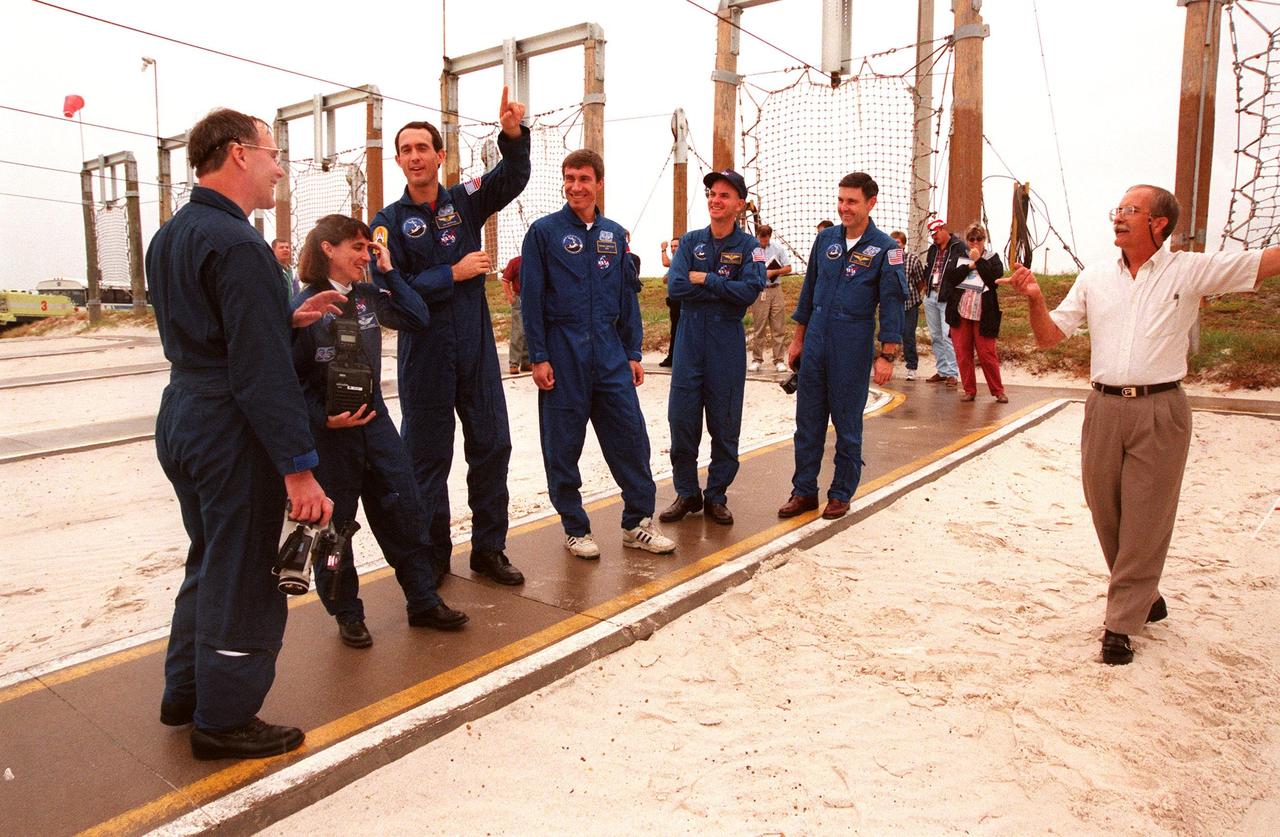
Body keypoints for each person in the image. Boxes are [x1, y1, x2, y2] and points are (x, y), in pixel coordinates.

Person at [1003, 184, 1279, 665]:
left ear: (1159, 224)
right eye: (1118, 209)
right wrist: (1033, 298)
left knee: (1146, 520)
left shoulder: (1189, 270)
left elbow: (1262, 263)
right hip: (1102, 409)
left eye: (1131, 210)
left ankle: (1119, 624)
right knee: (1106, 512)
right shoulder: (1094, 277)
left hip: (1161, 409)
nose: (1119, 217)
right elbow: (1049, 338)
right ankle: (1144, 596)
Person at [145, 107, 345, 760]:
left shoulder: (171, 235)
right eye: (271, 152)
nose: (279, 167)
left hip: (183, 413)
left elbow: (209, 329)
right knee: (247, 569)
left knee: (208, 554)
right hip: (230, 426)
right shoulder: (239, 245)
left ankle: (186, 690)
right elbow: (259, 373)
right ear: (237, 154)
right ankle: (224, 718)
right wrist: (299, 468)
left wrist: (282, 316)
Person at [370, 87, 529, 587]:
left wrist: (512, 136)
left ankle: (489, 549)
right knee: (426, 460)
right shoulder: (386, 224)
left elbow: (512, 177)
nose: (416, 156)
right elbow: (390, 300)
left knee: (492, 445)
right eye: (407, 149)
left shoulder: (463, 200)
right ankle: (433, 556)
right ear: (398, 161)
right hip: (425, 356)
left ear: (441, 156)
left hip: (477, 350)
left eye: (424, 148)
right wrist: (452, 273)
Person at [290, 214, 468, 649]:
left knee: (405, 512)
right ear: (327, 249)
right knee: (335, 532)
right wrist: (321, 417)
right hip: (332, 436)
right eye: (356, 246)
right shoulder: (304, 308)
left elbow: (417, 314)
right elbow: (287, 381)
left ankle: (423, 601)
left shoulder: (369, 295)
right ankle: (347, 613)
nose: (363, 255)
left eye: (368, 246)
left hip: (377, 426)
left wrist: (389, 269)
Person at [520, 148, 676, 559]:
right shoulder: (544, 233)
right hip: (562, 352)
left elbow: (628, 296)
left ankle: (637, 523)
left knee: (631, 439)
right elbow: (531, 300)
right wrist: (539, 355)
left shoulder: (615, 235)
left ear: (599, 183)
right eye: (569, 178)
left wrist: (633, 351)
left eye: (584, 179)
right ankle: (575, 528)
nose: (576, 186)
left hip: (609, 354)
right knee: (562, 446)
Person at [777, 172, 905, 521]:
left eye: (852, 201)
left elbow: (892, 304)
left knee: (847, 423)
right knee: (807, 422)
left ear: (870, 203)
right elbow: (809, 291)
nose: (844, 208)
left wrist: (887, 354)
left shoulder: (887, 250)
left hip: (854, 339)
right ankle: (804, 491)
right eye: (841, 200)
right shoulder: (826, 241)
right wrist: (798, 337)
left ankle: (841, 492)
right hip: (816, 335)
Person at [660, 170, 766, 526]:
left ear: (739, 204)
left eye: (724, 195)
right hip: (689, 339)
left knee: (724, 424)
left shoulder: (751, 248)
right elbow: (676, 287)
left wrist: (706, 278)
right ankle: (687, 492)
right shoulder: (690, 242)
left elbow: (749, 292)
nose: (715, 200)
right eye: (712, 194)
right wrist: (724, 287)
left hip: (726, 341)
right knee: (682, 420)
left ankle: (716, 495)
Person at [941, 222, 1007, 403]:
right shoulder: (959, 257)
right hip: (961, 311)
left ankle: (998, 390)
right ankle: (969, 390)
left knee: (987, 354)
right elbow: (951, 278)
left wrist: (979, 261)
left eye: (979, 239)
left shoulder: (993, 258)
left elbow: (994, 280)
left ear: (984, 240)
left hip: (984, 313)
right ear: (967, 240)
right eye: (971, 239)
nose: (975, 242)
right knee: (963, 353)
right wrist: (969, 266)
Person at [923, 218, 962, 386]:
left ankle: (953, 373)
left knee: (948, 336)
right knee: (935, 336)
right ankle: (942, 370)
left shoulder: (959, 247)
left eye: (936, 232)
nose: (934, 236)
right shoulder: (933, 249)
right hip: (932, 294)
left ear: (944, 229)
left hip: (947, 297)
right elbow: (929, 268)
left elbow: (963, 271)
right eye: (932, 234)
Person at [748, 223, 791, 373]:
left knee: (778, 326)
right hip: (760, 290)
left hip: (775, 289)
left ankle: (779, 360)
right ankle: (756, 359)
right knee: (759, 326)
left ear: (770, 236)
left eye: (766, 238)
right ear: (758, 236)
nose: (764, 241)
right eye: (761, 238)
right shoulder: (752, 249)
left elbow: (788, 267)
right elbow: (747, 269)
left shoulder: (777, 249)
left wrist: (774, 272)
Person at [890, 230, 926, 381]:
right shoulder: (886, 259)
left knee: (908, 335)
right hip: (892, 303)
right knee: (890, 335)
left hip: (910, 303)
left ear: (903, 245)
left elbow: (920, 281)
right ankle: (888, 364)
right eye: (892, 242)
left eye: (897, 242)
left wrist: (912, 295)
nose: (895, 245)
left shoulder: (912, 259)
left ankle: (911, 367)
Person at [501, 255, 531, 374]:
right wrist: (510, 297)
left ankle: (526, 362)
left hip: (532, 299)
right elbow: (505, 280)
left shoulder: (534, 260)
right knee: (518, 331)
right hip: (519, 298)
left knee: (529, 331)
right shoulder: (515, 262)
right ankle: (514, 363)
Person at [659, 237, 681, 367]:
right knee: (675, 330)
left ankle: (673, 358)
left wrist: (663, 249)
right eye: (671, 246)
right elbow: (665, 278)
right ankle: (673, 357)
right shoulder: (677, 261)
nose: (673, 249)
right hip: (674, 300)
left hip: (681, 301)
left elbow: (665, 263)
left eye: (676, 246)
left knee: (678, 329)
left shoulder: (682, 258)